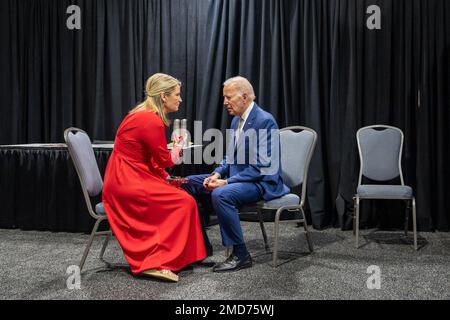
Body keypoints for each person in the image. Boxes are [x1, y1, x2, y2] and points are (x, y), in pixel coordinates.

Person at [102, 73, 206, 282]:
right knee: (183, 202)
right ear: (163, 97)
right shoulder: (150, 120)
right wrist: (178, 145)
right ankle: (156, 260)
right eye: (177, 94)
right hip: (128, 181)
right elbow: (165, 160)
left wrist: (165, 177)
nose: (180, 99)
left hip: (129, 176)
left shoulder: (142, 115)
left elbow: (151, 160)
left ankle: (173, 256)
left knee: (182, 196)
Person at [183, 76, 289, 272]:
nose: (224, 102)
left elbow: (262, 167)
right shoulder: (235, 121)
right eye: (224, 98)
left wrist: (226, 182)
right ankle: (200, 249)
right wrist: (216, 173)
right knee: (188, 182)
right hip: (239, 179)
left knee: (221, 194)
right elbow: (230, 156)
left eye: (228, 97)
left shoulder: (265, 121)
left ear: (245, 97)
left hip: (262, 182)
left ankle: (241, 255)